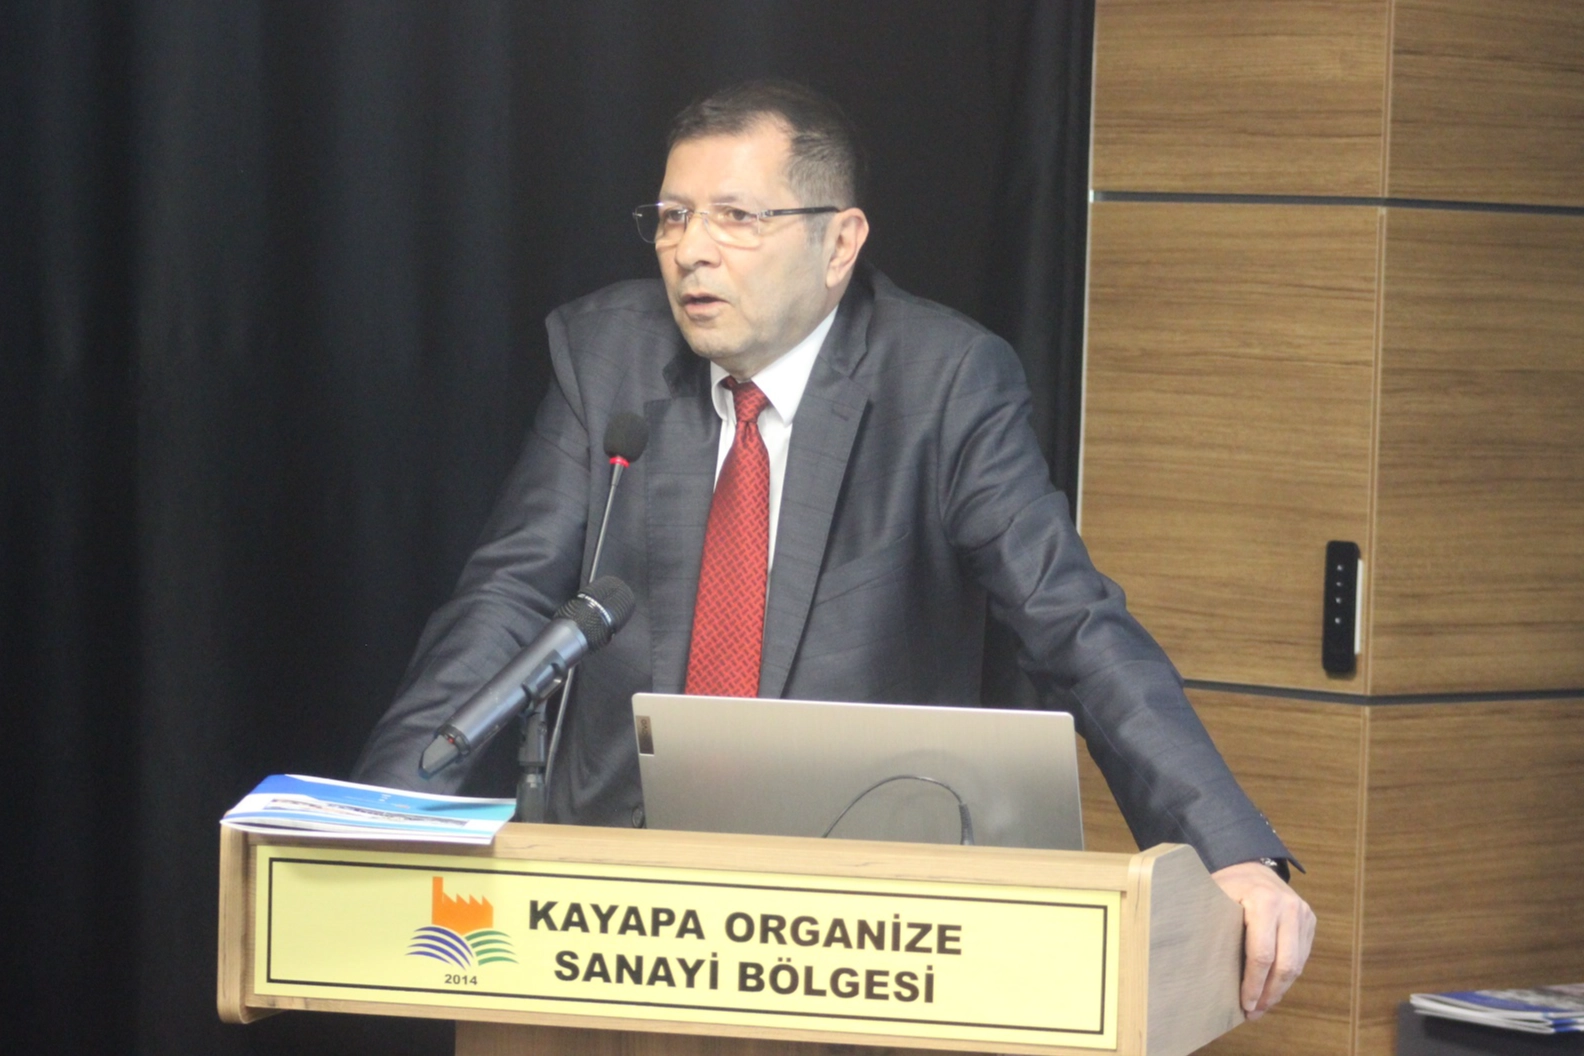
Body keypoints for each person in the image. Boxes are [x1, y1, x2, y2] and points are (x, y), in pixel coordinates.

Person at [353, 79, 1315, 1019]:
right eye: (672, 217)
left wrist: (1227, 849)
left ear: (839, 243)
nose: (691, 250)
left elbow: (1070, 621)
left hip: (851, 923)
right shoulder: (607, 354)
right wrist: (384, 809)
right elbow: (509, 599)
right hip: (605, 911)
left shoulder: (943, 382)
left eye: (737, 217)